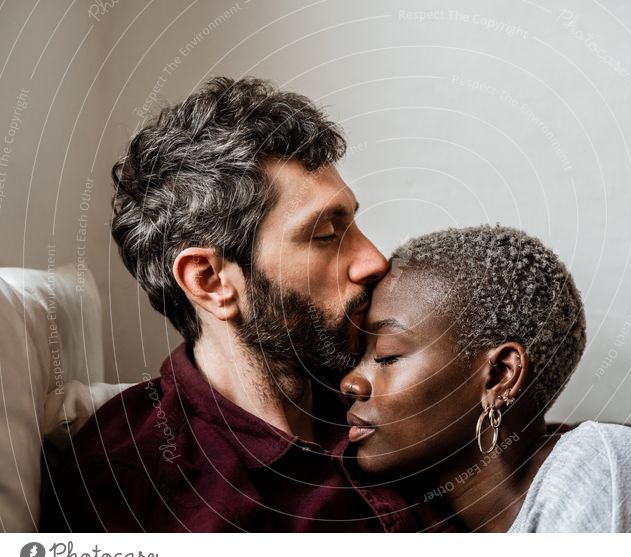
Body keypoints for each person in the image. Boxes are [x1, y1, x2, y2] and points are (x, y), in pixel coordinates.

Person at [42, 77, 449, 532]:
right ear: (210, 280)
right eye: (326, 235)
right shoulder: (135, 488)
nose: (373, 260)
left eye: (353, 223)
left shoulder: (399, 383)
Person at [340, 225, 631, 533]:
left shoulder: (597, 464)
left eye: (387, 356)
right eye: (358, 357)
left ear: (500, 375)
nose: (351, 382)